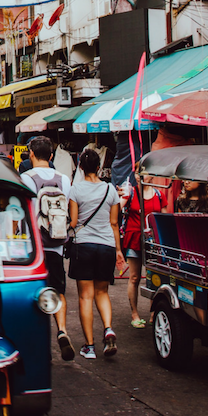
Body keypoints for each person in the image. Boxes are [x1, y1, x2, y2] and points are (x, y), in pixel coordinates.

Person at [20, 136, 75, 361]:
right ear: (51, 156)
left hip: (33, 248)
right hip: (56, 245)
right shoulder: (64, 179)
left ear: (31, 153)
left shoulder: (25, 178)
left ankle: (39, 340)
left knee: (34, 294)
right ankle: (62, 329)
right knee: (58, 291)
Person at [68, 149, 123, 359]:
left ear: (80, 167)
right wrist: (118, 250)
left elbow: (73, 223)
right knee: (102, 292)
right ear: (99, 167)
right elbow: (115, 223)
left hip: (84, 246)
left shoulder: (76, 190)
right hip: (107, 246)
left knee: (85, 296)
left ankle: (89, 347)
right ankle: (108, 328)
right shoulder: (110, 190)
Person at [122, 181, 166, 329]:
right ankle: (134, 314)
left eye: (144, 172)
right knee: (134, 277)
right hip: (134, 238)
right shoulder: (131, 192)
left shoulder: (159, 194)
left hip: (153, 242)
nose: (140, 176)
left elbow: (165, 219)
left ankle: (154, 313)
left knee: (154, 278)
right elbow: (116, 209)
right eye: (137, 172)